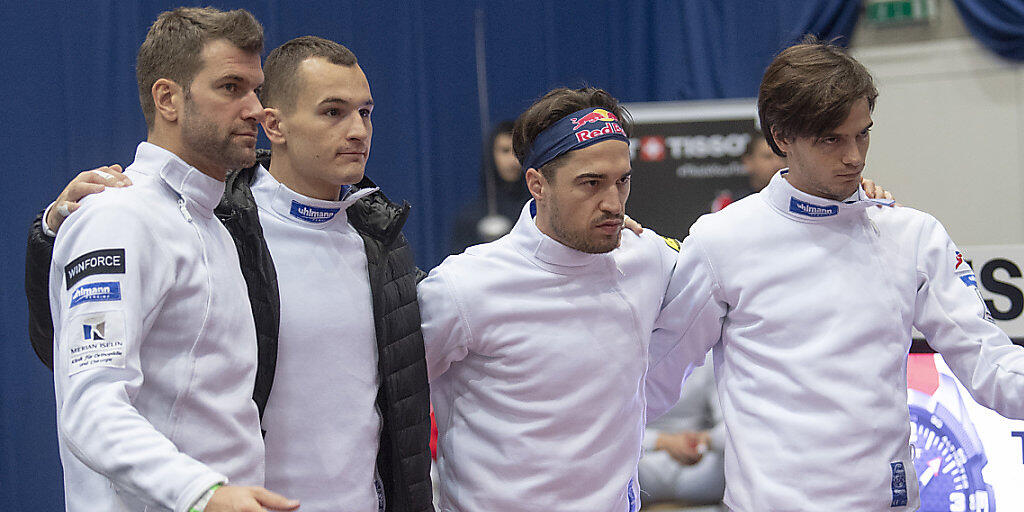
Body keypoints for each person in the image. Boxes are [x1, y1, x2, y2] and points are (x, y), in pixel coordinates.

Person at [27, 35, 433, 512]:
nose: (358, 130)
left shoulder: (382, 242)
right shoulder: (217, 222)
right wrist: (54, 232)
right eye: (333, 111)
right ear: (275, 125)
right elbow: (70, 355)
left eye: (365, 113)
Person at [648, 36, 1024, 511]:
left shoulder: (911, 235)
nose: (854, 156)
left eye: (862, 133)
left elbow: (991, 366)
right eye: (831, 139)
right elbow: (651, 381)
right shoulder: (721, 240)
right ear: (781, 137)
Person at [39, 7, 299, 512]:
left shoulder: (214, 227)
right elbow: (91, 407)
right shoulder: (118, 216)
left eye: (256, 89)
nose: (255, 110)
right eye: (230, 88)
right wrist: (203, 493)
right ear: (168, 99)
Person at [418, 87, 697, 511]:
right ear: (537, 184)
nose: (612, 203)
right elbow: (380, 400)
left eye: (622, 181)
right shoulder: (464, 287)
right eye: (590, 184)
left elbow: (725, 286)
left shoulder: (648, 256)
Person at [638, 353, 726, 507]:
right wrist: (662, 441)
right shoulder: (625, 356)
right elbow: (612, 431)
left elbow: (731, 426)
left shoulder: (709, 357)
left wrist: (706, 440)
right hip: (643, 460)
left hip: (699, 464)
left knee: (733, 459)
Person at [449, 120, 531, 253]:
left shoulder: (537, 211)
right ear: (491, 155)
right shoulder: (469, 218)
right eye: (505, 151)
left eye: (518, 152)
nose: (513, 161)